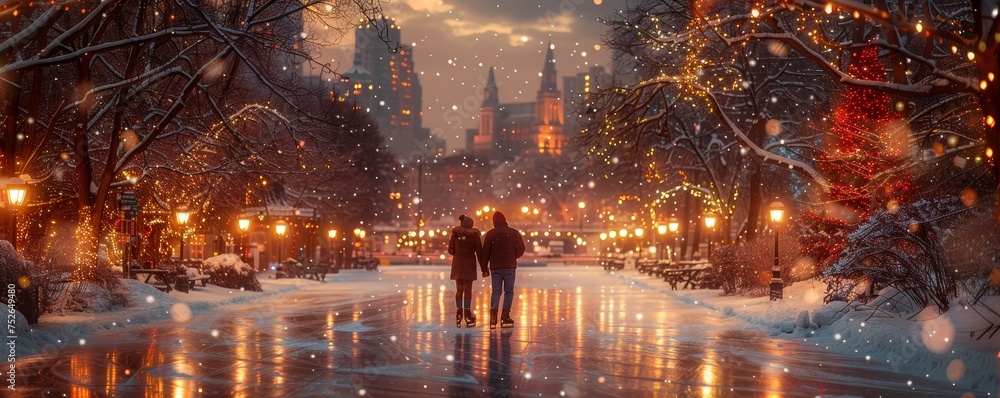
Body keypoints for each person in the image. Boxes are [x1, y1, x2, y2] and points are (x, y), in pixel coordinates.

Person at [480, 211, 525, 329]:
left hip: (495, 267)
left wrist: (484, 268)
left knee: (496, 291)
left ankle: (493, 318)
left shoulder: (491, 234)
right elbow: (521, 249)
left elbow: (485, 253)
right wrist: (512, 256)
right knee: (509, 291)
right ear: (505, 220)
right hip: (509, 266)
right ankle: (505, 317)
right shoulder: (513, 232)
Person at [448, 214, 484, 327]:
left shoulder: (455, 234)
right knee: (468, 289)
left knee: (459, 289)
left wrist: (458, 252)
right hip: (469, 263)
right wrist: (484, 268)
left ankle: (459, 313)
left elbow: (450, 250)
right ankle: (468, 314)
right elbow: (479, 252)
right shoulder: (475, 236)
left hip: (458, 263)